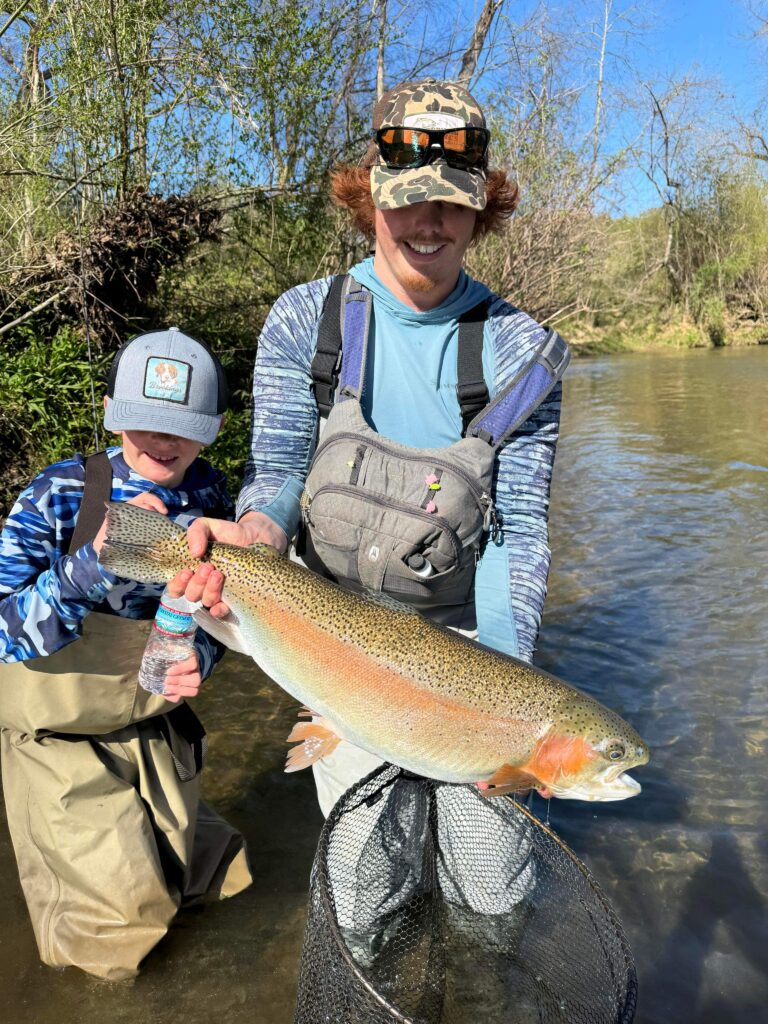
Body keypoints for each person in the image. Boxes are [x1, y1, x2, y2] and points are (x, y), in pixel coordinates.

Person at [176, 78, 565, 820]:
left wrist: (509, 696)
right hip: (332, 636)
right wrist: (257, 531)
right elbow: (281, 470)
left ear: (482, 207)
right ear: (371, 197)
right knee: (364, 893)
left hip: (466, 645)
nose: (430, 221)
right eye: (409, 196)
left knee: (495, 891)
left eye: (453, 200)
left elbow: (517, 532)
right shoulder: (304, 321)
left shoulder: (520, 350)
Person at [0, 327, 252, 982]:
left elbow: (217, 615)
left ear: (217, 426)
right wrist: (90, 567)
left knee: (216, 881)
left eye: (181, 426)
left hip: (154, 725)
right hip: (60, 743)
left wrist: (200, 651)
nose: (160, 443)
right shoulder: (58, 495)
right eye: (141, 422)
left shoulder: (213, 501)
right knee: (117, 937)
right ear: (111, 410)